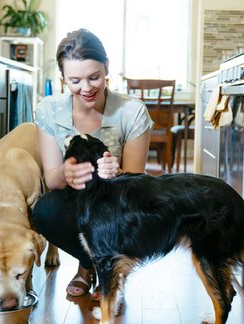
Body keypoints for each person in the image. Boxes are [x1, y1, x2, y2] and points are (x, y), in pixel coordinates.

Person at [32, 28, 154, 299]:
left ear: (107, 68)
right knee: (45, 210)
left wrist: (120, 174)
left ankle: (108, 266)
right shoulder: (49, 110)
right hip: (75, 205)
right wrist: (65, 173)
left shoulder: (132, 111)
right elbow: (51, 179)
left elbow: (138, 187)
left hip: (117, 207)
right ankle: (90, 263)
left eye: (94, 77)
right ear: (62, 77)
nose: (86, 89)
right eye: (75, 80)